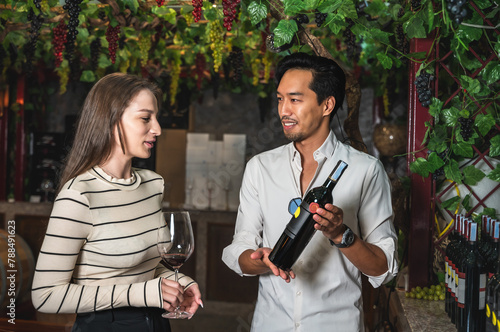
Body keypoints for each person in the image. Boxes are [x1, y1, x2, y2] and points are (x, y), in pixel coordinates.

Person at [222, 52, 398, 331]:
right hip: (271, 324)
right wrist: (264, 261)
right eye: (280, 99)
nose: (283, 111)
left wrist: (341, 234)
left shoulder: (365, 170)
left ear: (327, 105)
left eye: (295, 99)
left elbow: (382, 269)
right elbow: (239, 250)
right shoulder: (260, 167)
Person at [31, 73, 203, 332]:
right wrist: (141, 294)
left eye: (155, 118)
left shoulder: (152, 184)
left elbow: (145, 265)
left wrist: (179, 281)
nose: (157, 128)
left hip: (156, 324)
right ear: (111, 121)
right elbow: (45, 295)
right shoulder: (79, 196)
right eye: (146, 118)